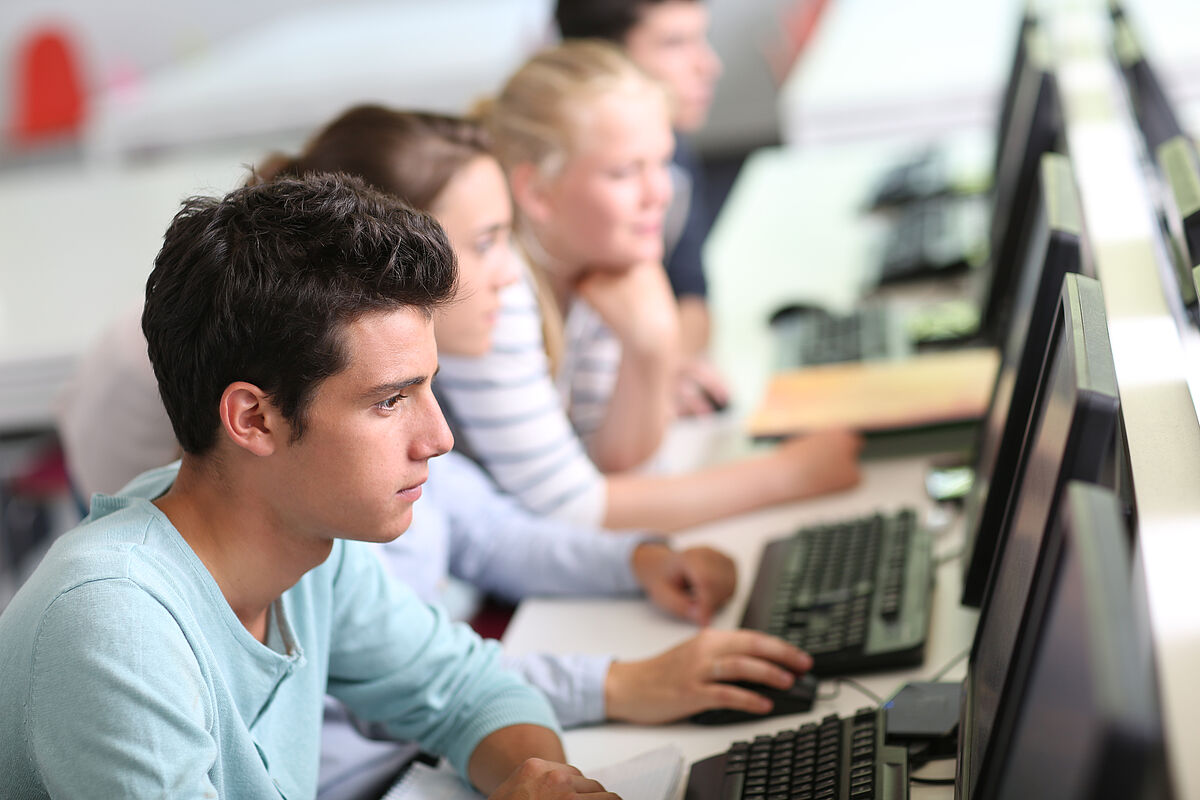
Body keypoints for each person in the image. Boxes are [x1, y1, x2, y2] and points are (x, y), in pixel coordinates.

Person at [2, 174, 614, 799]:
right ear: (253, 419)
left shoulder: (307, 534)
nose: (439, 437)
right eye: (389, 401)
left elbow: (471, 693)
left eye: (430, 387)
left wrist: (542, 783)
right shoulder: (114, 627)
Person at [437, 41, 863, 532]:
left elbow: (617, 459)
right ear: (536, 192)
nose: (659, 193)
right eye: (624, 172)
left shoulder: (597, 254)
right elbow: (573, 510)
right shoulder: (497, 291)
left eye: (660, 162)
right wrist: (789, 475)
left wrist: (651, 346)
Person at [556, 0, 726, 414]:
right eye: (674, 44)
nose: (709, 65)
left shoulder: (672, 149)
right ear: (603, 60)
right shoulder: (565, 183)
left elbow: (691, 294)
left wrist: (666, 368)